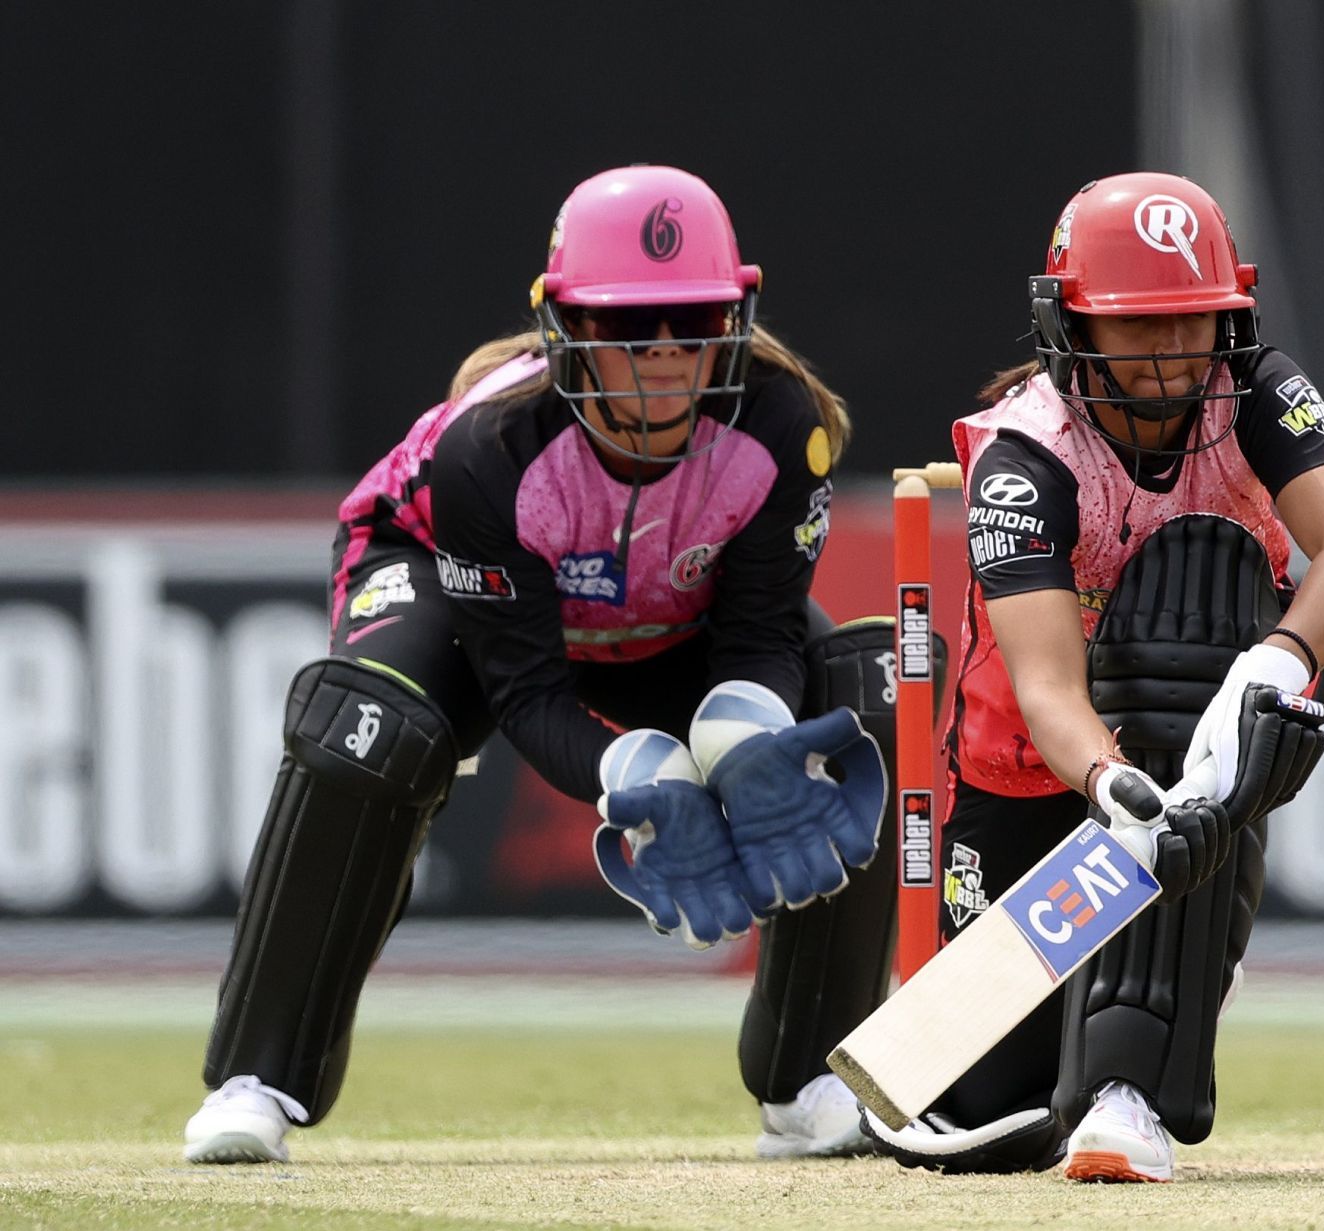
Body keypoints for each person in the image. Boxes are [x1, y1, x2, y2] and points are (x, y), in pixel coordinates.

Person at [183, 165, 903, 1164]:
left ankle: (810, 1074)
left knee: (860, 695)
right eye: (625, 326)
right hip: (442, 576)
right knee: (373, 733)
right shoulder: (489, 447)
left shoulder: (786, 428)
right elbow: (523, 689)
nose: (662, 356)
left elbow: (760, 637)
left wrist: (743, 739)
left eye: (690, 320)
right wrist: (644, 776)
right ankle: (257, 1077)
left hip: (667, 616)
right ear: (564, 324)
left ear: (735, 315)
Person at [865, 173, 1324, 1182]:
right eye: (1139, 329)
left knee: (1198, 606)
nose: (1171, 359)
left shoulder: (1260, 393)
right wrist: (1116, 792)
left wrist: (1272, 666)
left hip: (1197, 735)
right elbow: (1049, 689)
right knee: (990, 1109)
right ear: (1072, 325)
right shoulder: (1026, 455)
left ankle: (1129, 1088)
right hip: (1029, 777)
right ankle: (1081, 1051)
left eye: (1193, 324)